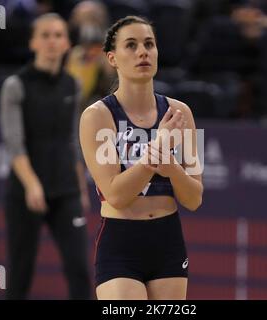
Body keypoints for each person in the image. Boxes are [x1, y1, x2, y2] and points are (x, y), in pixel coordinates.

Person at [79, 16, 203, 300]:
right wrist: (157, 150)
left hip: (168, 239)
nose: (142, 52)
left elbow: (194, 198)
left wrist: (172, 169)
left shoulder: (181, 113)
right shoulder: (97, 116)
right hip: (121, 241)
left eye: (149, 44)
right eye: (131, 45)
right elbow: (117, 195)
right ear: (112, 58)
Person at [0, 13, 91, 300]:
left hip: (65, 189)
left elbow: (73, 140)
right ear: (33, 42)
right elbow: (14, 143)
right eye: (45, 35)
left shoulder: (72, 85)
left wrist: (81, 186)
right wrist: (32, 184)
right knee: (21, 273)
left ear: (67, 43)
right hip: (26, 191)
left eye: (58, 35)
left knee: (79, 269)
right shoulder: (16, 85)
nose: (52, 41)